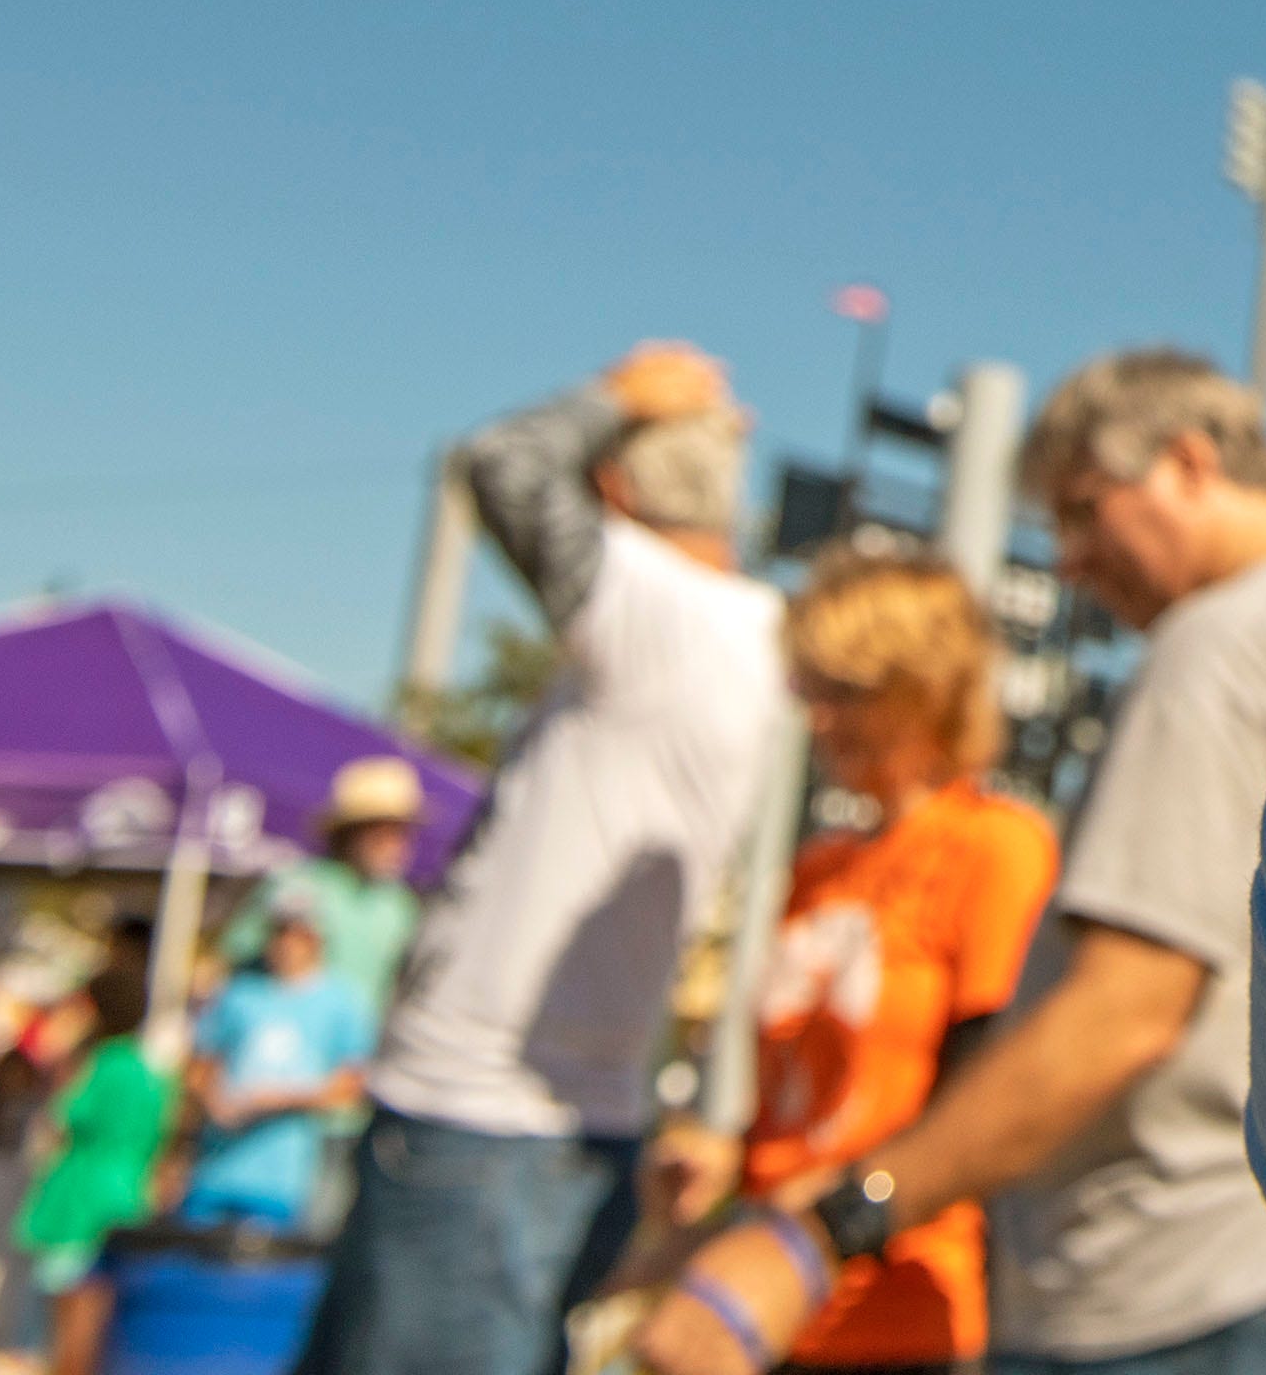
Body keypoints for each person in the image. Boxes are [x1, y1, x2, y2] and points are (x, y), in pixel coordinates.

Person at [639, 349, 1266, 1375]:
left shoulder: (1215, 646)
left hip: (1150, 1286)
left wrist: (831, 1226)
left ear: (1189, 463)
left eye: (1082, 508)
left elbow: (1122, 1010)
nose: (1067, 558)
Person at [295, 342, 790, 1375]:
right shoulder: (753, 631)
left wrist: (619, 393)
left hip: (479, 1114)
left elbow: (502, 461)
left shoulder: (654, 602)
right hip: (570, 1118)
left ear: (613, 482)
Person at [639, 550, 1060, 1375]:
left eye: (846, 693)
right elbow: (801, 1100)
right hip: (775, 1307)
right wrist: (722, 1159)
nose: (820, 721)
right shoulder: (818, 870)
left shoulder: (995, 847)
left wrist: (836, 1207)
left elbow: (984, 1094)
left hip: (904, 1309)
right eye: (813, 692)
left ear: (924, 690)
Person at [10, 925, 169, 1375]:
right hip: (126, 1194)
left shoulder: (102, 1065)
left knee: (66, 1315)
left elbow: (61, 1119)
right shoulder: (148, 1070)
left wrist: (62, 1053)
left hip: (80, 1199)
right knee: (97, 1315)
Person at [178, 898, 373, 1235]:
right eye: (279, 933)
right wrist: (215, 1101)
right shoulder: (239, 992)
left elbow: (354, 1084)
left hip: (284, 1175)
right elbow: (199, 1063)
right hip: (216, 1166)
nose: (286, 944)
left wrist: (277, 1100)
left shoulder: (340, 1001)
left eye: (298, 934)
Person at [218, 758, 431, 1033]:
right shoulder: (296, 884)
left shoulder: (400, 906)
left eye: (401, 833)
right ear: (350, 833)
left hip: (361, 1057)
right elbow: (237, 957)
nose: (395, 845)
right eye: (383, 833)